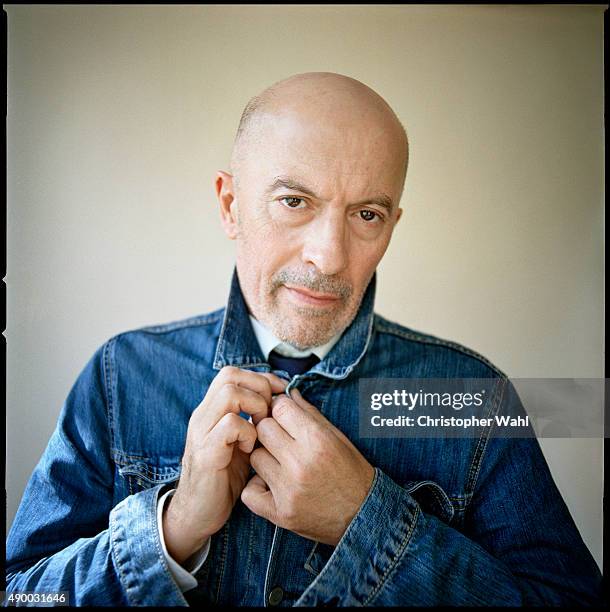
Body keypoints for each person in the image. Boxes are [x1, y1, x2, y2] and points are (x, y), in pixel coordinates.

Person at [6, 72, 602, 607]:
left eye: (366, 214)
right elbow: (23, 595)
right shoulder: (122, 376)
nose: (330, 256)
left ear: (392, 224)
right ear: (231, 204)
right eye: (295, 201)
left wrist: (365, 521)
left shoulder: (470, 397)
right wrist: (175, 527)